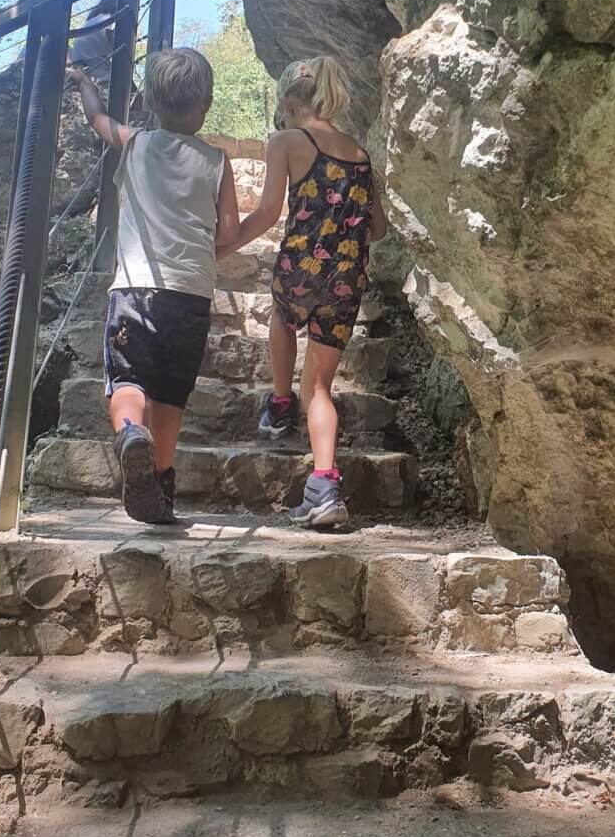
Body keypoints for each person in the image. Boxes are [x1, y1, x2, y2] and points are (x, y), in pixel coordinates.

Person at [69, 47, 240, 525]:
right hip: (192, 294)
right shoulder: (217, 161)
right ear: (205, 104)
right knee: (170, 395)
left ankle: (128, 433)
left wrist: (85, 84)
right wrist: (208, 256)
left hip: (135, 289)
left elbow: (98, 121)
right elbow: (227, 233)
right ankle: (161, 487)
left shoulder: (136, 142)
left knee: (128, 380)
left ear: (151, 103)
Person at [224, 56, 386, 529]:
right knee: (318, 387)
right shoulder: (358, 152)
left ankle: (277, 404)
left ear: (292, 102)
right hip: (346, 277)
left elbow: (269, 211)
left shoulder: (288, 142)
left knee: (282, 317)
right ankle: (324, 485)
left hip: (300, 265)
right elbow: (375, 228)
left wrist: (225, 244)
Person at [70, 0, 134, 86]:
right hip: (92, 61)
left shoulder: (94, 18)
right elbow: (110, 33)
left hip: (78, 58)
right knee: (123, 82)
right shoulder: (110, 18)